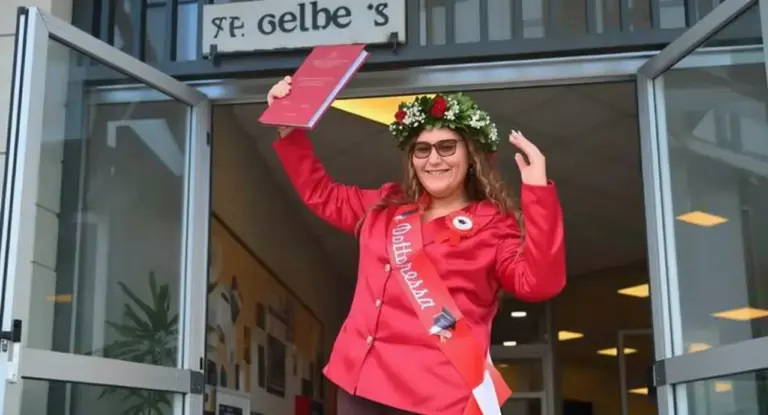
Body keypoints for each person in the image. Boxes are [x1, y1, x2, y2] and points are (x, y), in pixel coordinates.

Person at [267, 77, 566, 415]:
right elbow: (322, 194)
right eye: (422, 149)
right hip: (361, 384)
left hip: (438, 398)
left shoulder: (494, 226)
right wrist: (288, 129)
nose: (433, 159)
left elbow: (539, 283)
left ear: (471, 156)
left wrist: (538, 192)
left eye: (447, 147)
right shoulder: (386, 205)